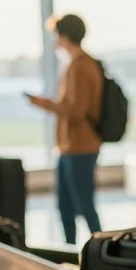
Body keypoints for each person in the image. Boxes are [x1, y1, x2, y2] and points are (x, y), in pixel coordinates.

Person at [28, 13, 103, 244]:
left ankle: (97, 250)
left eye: (56, 34)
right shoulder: (83, 64)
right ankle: (75, 250)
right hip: (72, 146)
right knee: (68, 206)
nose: (54, 40)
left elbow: (77, 110)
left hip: (78, 146)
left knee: (82, 206)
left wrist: (44, 104)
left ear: (64, 35)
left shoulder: (79, 66)